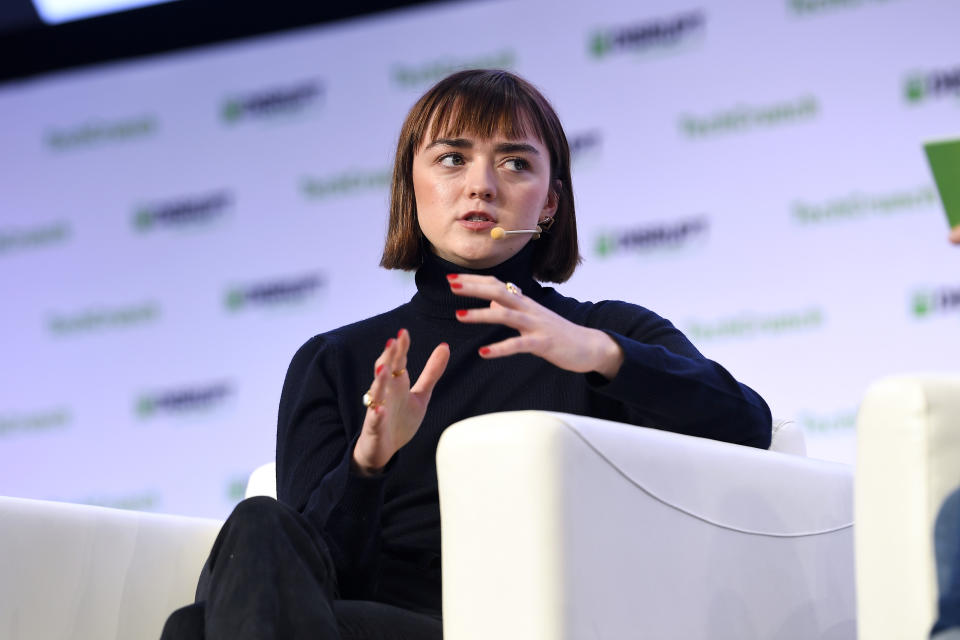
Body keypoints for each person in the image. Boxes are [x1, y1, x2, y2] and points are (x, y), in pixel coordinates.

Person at [160, 69, 772, 640]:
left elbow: (746, 426)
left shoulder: (603, 333)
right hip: (359, 619)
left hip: (520, 621)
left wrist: (600, 354)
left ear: (550, 203)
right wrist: (369, 462)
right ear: (412, 187)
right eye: (452, 159)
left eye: (514, 162)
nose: (481, 184)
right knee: (259, 529)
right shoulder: (337, 359)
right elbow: (305, 573)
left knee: (199, 627)